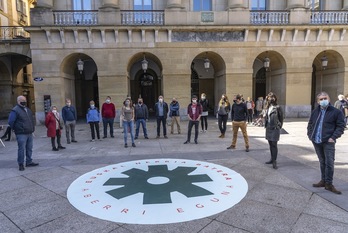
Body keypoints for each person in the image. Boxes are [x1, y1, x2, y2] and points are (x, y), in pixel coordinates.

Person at [307, 92, 345, 194]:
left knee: (329, 163)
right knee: (322, 161)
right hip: (316, 140)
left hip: (328, 141)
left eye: (325, 98)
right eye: (321, 99)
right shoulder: (315, 111)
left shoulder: (336, 112)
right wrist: (310, 135)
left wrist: (333, 137)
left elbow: (341, 126)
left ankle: (329, 183)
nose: (323, 100)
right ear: (318, 101)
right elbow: (310, 123)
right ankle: (323, 180)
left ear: (329, 99)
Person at [8, 95, 38, 171]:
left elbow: (31, 119)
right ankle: (21, 163)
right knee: (21, 149)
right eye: (22, 100)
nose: (24, 101)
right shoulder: (15, 110)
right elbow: (11, 121)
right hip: (21, 133)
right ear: (18, 101)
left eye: (25, 100)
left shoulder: (27, 109)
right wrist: (16, 129)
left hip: (29, 132)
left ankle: (29, 161)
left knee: (29, 148)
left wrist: (33, 128)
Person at [264, 92, 284, 169]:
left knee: (274, 145)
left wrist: (279, 126)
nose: (271, 98)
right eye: (269, 97)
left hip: (275, 129)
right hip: (268, 128)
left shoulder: (278, 107)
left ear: (275, 98)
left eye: (272, 97)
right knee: (270, 144)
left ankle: (274, 161)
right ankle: (272, 159)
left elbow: (281, 118)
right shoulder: (267, 107)